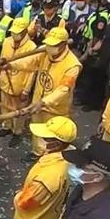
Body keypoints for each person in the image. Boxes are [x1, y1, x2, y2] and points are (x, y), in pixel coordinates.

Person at [13, 116, 76, 219]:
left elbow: (25, 203)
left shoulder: (48, 177)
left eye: (46, 138)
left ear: (55, 144)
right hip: (48, 216)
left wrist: (18, 195)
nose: (42, 140)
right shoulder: (67, 158)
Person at [29, 27, 82, 157]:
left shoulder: (72, 64)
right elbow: (29, 62)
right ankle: (36, 153)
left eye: (54, 45)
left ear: (63, 44)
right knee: (37, 130)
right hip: (38, 102)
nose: (49, 47)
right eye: (48, 44)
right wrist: (12, 64)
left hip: (55, 108)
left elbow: (64, 89)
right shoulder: (45, 53)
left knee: (52, 137)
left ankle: (50, 158)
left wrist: (45, 102)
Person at [0, 17, 37, 145]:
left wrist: (26, 90)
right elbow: (1, 60)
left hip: (20, 84)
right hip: (5, 81)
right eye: (13, 32)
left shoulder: (31, 47)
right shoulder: (7, 42)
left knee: (19, 111)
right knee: (5, 107)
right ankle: (6, 127)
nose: (14, 34)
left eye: (18, 32)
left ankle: (17, 132)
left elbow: (32, 70)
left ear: (24, 32)